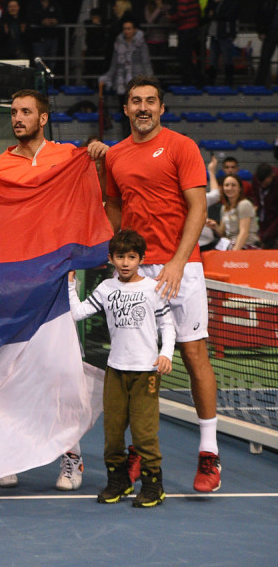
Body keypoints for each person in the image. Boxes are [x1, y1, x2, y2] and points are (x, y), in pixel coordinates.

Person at [0, 89, 108, 491]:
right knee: (7, 371)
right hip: (12, 283)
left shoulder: (69, 158)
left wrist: (98, 158)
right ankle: (5, 454)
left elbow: (93, 198)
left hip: (57, 283)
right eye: (14, 112)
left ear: (43, 118)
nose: (17, 118)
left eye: (25, 112)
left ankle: (71, 457)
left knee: (61, 372)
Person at [104, 75, 221, 493]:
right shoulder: (114, 155)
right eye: (135, 101)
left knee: (193, 355)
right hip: (136, 273)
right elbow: (114, 204)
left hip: (181, 270)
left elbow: (196, 206)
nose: (143, 108)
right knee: (136, 362)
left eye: (150, 101)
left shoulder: (182, 146)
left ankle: (209, 454)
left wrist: (176, 262)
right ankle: (141, 449)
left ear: (161, 108)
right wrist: (120, 257)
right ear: (126, 108)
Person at [68, 230, 174, 508]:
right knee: (112, 433)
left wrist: (166, 354)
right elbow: (78, 313)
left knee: (144, 434)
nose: (125, 263)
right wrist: (70, 285)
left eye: (131, 257)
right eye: (120, 257)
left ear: (141, 259)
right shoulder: (105, 288)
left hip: (146, 373)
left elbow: (168, 325)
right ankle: (119, 482)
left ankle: (153, 486)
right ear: (111, 259)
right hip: (115, 371)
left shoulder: (153, 288)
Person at [99, 20, 152, 135]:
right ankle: (127, 136)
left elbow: (146, 62)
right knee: (125, 111)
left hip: (137, 82)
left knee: (138, 110)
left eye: (129, 28)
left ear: (134, 30)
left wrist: (150, 81)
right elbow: (114, 64)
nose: (126, 31)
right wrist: (107, 78)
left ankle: (139, 135)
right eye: (124, 29)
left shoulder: (140, 43)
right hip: (121, 82)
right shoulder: (119, 43)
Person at [209, 174, 260, 250]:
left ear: (240, 188)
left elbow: (244, 233)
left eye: (233, 185)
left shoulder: (244, 204)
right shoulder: (224, 208)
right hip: (230, 244)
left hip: (246, 246)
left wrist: (234, 253)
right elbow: (223, 233)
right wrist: (215, 226)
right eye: (226, 185)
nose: (229, 188)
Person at [204, 0, 240, 87]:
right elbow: (207, 11)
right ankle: (211, 81)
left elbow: (228, 15)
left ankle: (229, 81)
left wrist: (214, 14)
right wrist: (214, 3)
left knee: (227, 58)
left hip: (225, 33)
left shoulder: (233, 1)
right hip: (214, 33)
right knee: (213, 59)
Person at [171, 0, 203, 86]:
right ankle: (196, 80)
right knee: (187, 56)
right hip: (193, 27)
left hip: (186, 28)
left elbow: (182, 13)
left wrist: (171, 18)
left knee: (183, 57)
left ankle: (192, 81)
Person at [255, 0, 278, 86]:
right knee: (265, 57)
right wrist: (261, 30)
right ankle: (259, 84)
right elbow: (261, 12)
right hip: (271, 30)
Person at [144, 0, 171, 75]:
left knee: (162, 63)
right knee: (152, 63)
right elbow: (149, 21)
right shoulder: (148, 7)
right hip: (151, 39)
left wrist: (163, 9)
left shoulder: (167, 7)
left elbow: (169, 20)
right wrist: (158, 9)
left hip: (163, 38)